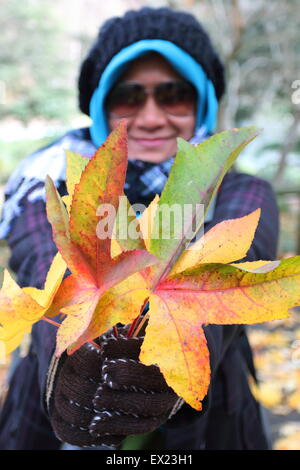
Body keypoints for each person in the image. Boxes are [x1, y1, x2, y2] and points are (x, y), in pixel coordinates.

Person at [0, 7, 279, 450]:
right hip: (44, 422)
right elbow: (42, 258)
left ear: (203, 102)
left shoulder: (239, 191)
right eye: (128, 97)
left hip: (211, 424)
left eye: (174, 94)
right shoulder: (48, 182)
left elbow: (238, 257)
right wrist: (64, 355)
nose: (150, 117)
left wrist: (173, 353)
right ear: (101, 105)